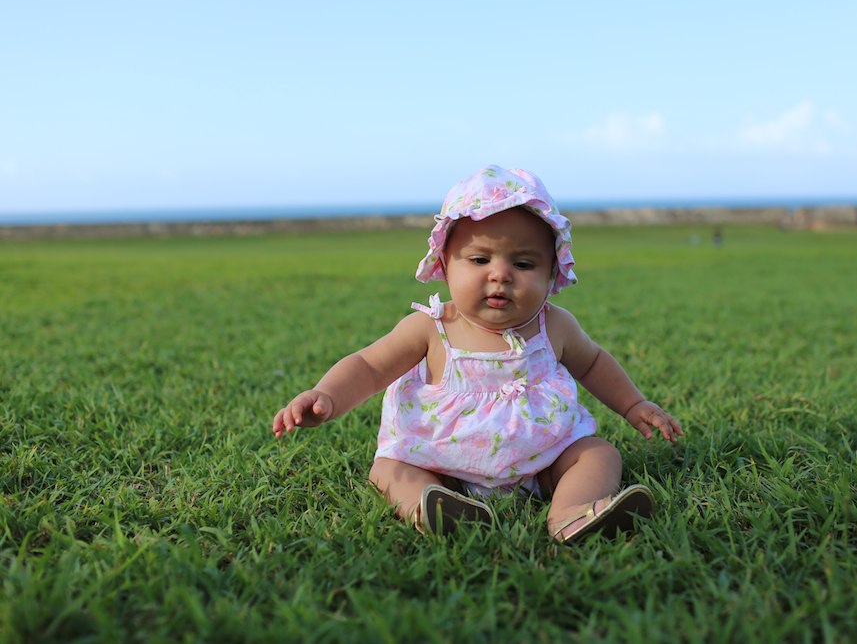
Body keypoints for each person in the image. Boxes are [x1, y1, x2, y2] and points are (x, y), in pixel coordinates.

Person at [272, 164, 682, 542]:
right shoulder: (433, 327)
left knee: (597, 453)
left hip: (542, 458)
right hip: (441, 461)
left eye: (523, 264)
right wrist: (326, 395)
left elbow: (593, 363)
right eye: (480, 258)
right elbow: (369, 365)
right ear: (445, 264)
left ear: (552, 273)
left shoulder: (554, 326)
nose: (499, 274)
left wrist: (633, 405)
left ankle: (570, 513)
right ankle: (434, 508)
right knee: (388, 469)